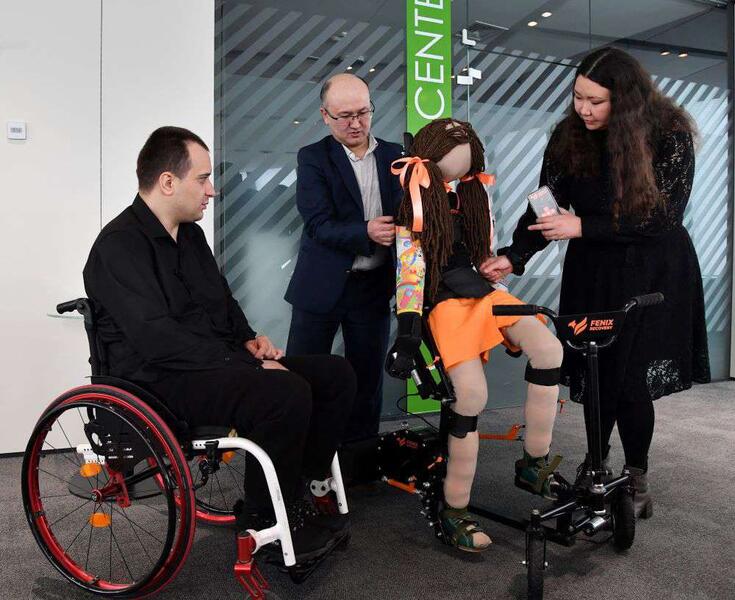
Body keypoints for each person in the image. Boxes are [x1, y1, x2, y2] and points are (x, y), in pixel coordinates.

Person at [83, 126, 355, 563]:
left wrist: (249, 340)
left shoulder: (189, 235)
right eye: (203, 178)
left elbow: (221, 302)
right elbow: (157, 340)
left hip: (209, 364)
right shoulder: (118, 247)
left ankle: (295, 490)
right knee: (284, 392)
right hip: (156, 381)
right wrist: (247, 367)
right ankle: (265, 518)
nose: (212, 190)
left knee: (335, 374)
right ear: (168, 182)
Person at [481, 47, 711, 519]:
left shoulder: (668, 133)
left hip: (653, 270)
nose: (583, 109)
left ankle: (636, 476)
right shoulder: (569, 135)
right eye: (577, 97)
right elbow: (546, 205)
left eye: (596, 101)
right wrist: (514, 255)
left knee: (631, 380)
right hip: (594, 269)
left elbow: (662, 217)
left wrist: (583, 226)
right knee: (596, 372)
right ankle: (596, 466)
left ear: (625, 100)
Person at [386, 119, 564, 552]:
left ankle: (534, 461)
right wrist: (408, 330)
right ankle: (454, 507)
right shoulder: (414, 199)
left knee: (549, 348)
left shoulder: (473, 193)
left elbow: (482, 247)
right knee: (471, 396)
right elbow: (410, 270)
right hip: (443, 301)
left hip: (482, 290)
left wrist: (493, 263)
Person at [285, 73, 404, 442]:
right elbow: (318, 224)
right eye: (345, 116)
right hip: (321, 286)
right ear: (325, 116)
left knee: (366, 382)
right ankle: (300, 457)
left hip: (372, 288)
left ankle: (359, 460)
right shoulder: (313, 158)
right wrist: (366, 231)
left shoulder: (396, 156)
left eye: (363, 113)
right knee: (302, 378)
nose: (356, 123)